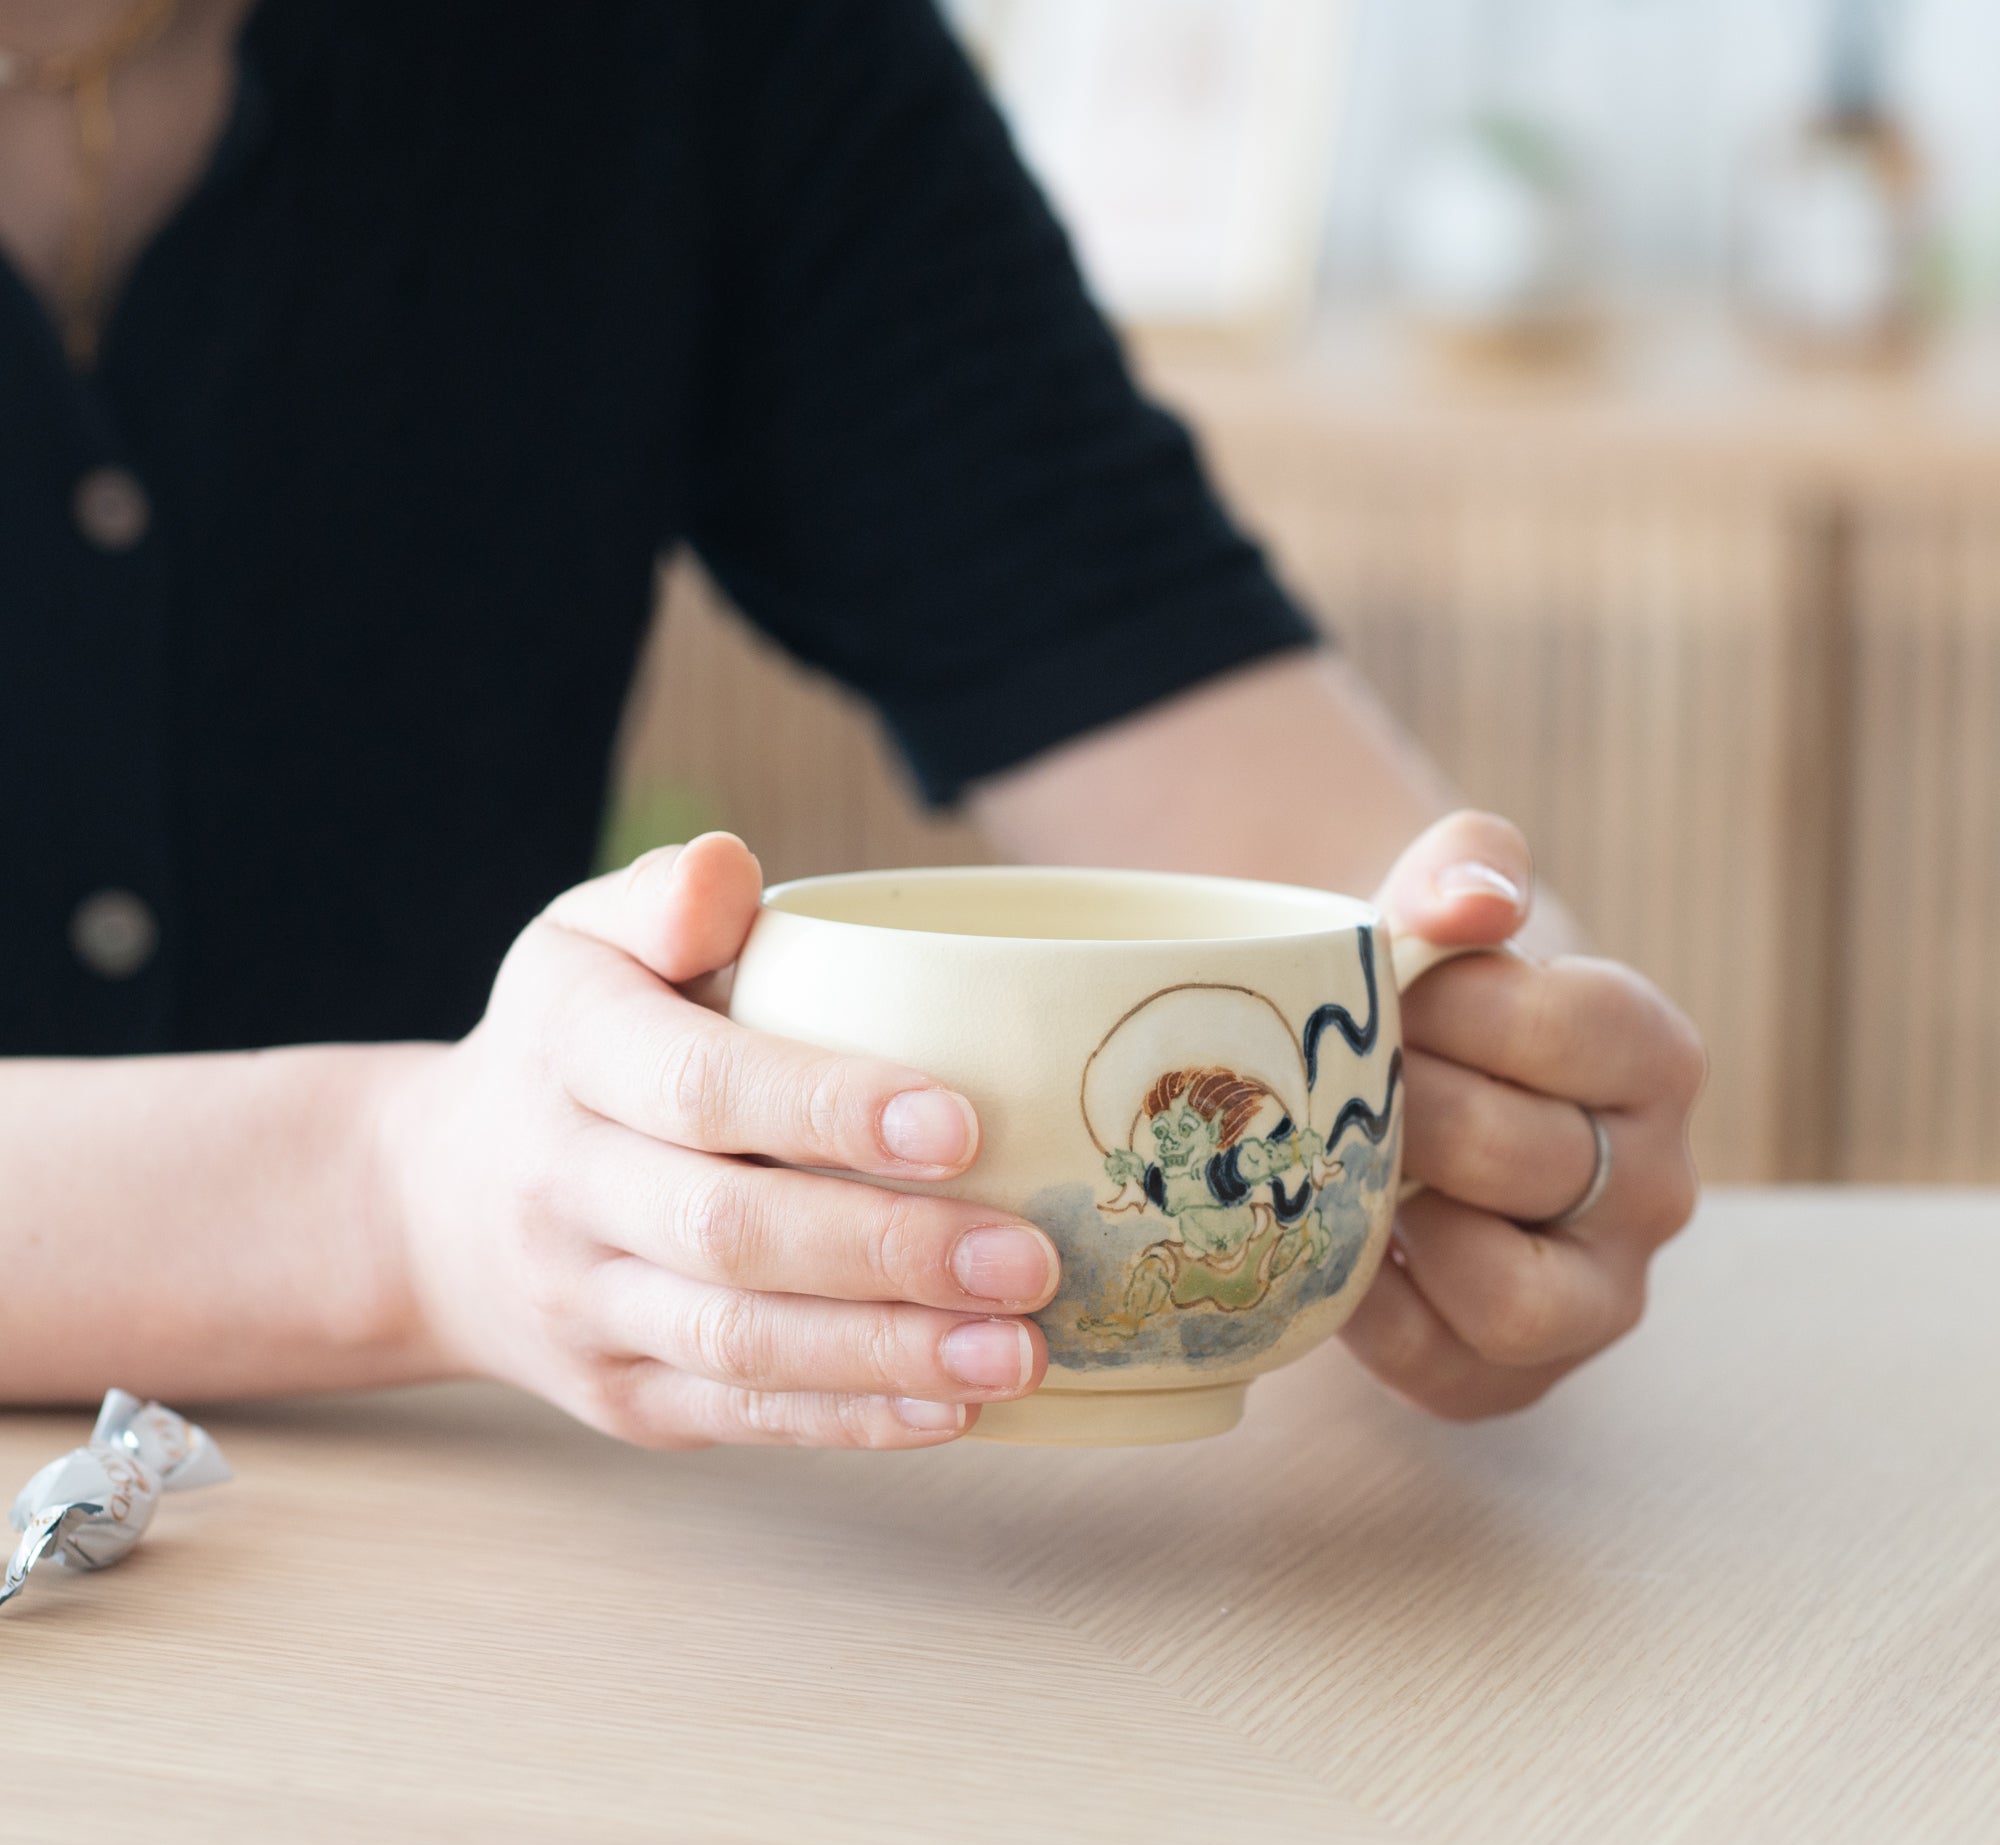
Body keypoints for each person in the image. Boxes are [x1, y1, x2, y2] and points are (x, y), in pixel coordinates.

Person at [0, 0, 1704, 1449]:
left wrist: (1503, 1095)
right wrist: (398, 1202)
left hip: (488, 1579)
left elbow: (1254, 798)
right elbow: (435, 1198)